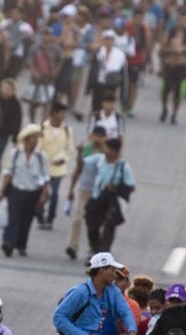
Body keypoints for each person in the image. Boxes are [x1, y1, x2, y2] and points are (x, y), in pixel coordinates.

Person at [0, 123, 50, 258]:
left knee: (26, 220)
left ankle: (21, 245)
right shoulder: (15, 153)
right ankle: (8, 242)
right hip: (16, 190)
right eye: (33, 138)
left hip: (33, 192)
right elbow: (8, 172)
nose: (35, 141)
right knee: (13, 218)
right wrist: (1, 190)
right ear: (26, 139)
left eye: (37, 138)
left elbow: (45, 177)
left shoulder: (41, 156)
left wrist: (44, 194)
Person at [84, 137, 135, 255]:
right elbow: (84, 162)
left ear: (114, 151)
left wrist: (115, 188)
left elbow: (131, 186)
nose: (104, 150)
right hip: (98, 198)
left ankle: (104, 252)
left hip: (112, 201)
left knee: (109, 226)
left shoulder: (123, 167)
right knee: (92, 224)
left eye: (106, 148)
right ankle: (95, 248)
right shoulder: (100, 160)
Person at [64, 125, 106, 261]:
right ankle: (72, 245)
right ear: (91, 136)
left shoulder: (108, 151)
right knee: (77, 217)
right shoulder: (86, 149)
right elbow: (78, 168)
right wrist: (71, 188)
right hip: (84, 189)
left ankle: (93, 248)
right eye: (96, 136)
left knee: (95, 222)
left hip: (99, 192)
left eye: (101, 136)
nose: (98, 139)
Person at [36, 102, 73, 230]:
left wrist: (63, 158)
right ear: (54, 114)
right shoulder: (43, 128)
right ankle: (40, 216)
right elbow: (38, 148)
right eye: (61, 113)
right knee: (42, 193)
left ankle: (51, 218)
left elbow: (68, 148)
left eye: (64, 113)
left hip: (58, 168)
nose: (63, 116)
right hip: (44, 167)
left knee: (55, 193)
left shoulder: (67, 130)